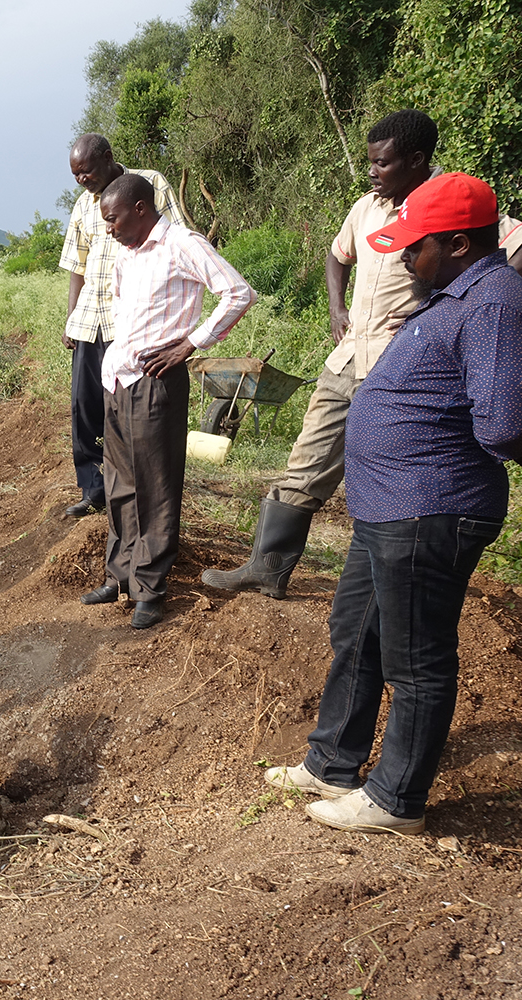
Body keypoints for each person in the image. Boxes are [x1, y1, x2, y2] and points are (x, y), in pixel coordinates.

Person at [265, 173, 522, 835]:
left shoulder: (494, 299)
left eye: (416, 247)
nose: (404, 257)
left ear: (460, 243)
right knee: (359, 635)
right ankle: (331, 762)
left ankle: (395, 799)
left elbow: (500, 423)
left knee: (417, 661)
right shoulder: (451, 293)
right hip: (389, 510)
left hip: (430, 509)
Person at [202, 110, 443, 599]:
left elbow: (509, 247)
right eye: (371, 161)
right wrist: (337, 308)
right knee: (306, 460)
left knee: (389, 481)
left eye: (383, 163)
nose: (372, 171)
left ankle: (389, 586)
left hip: (401, 371)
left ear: (417, 160)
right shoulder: (368, 208)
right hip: (348, 360)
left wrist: (437, 318)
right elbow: (337, 255)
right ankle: (267, 568)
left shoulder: (448, 204)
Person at [80, 174, 256, 629]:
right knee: (119, 483)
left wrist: (189, 344)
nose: (109, 229)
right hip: (118, 381)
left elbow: (238, 293)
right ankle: (118, 577)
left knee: (155, 488)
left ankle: (150, 590)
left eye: (113, 219)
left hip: (155, 383)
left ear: (140, 208)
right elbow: (126, 315)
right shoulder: (126, 255)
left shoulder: (182, 244)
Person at [58, 133, 184, 518]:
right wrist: (71, 317)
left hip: (129, 323)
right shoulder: (83, 205)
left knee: (128, 414)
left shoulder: (150, 184)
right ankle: (93, 489)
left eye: (87, 171)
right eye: (76, 175)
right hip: (89, 322)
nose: (82, 180)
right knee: (85, 408)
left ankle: (130, 492)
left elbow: (174, 240)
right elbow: (77, 265)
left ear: (109, 159)